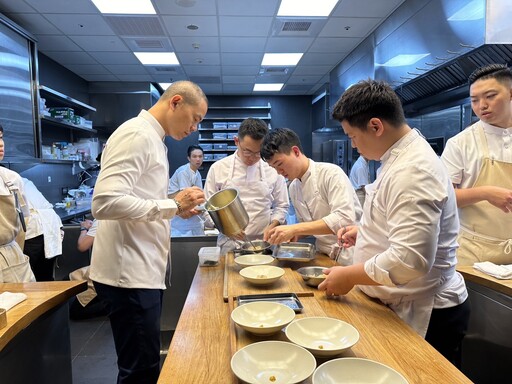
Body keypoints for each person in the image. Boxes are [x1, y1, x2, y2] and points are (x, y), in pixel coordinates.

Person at [320, 79, 470, 367]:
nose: (353, 143)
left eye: (352, 136)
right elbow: (401, 225)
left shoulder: (414, 169)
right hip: (402, 303)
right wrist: (363, 232)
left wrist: (349, 275)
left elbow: (409, 260)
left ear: (376, 126)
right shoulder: (398, 158)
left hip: (428, 313)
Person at [89, 81, 207, 384]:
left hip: (141, 273)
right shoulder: (136, 134)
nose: (194, 128)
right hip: (129, 276)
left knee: (143, 364)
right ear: (176, 102)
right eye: (195, 118)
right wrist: (171, 205)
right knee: (140, 371)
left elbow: (140, 199)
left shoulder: (155, 139)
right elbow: (105, 202)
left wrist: (176, 207)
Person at [441, 63, 512, 266]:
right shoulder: (461, 143)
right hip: (474, 254)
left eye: (490, 96)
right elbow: (443, 197)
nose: (482, 105)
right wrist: (486, 193)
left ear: (510, 94)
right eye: (474, 100)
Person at [260, 128, 362, 260]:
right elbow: (307, 225)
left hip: (350, 253)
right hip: (323, 254)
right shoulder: (294, 187)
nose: (279, 172)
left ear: (296, 151)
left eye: (280, 164)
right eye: (274, 168)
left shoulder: (330, 173)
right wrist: (290, 234)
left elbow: (344, 218)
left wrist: (295, 229)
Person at [204, 118, 289, 252]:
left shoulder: (272, 169)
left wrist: (273, 224)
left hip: (264, 244)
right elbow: (207, 208)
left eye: (258, 153)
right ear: (236, 141)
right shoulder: (218, 168)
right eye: (247, 151)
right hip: (229, 244)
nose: (253, 158)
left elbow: (282, 205)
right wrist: (225, 229)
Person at [0, 124, 35, 283]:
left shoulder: (11, 179)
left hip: (14, 261)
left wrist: (16, 253)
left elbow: (22, 225)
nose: (1, 144)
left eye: (0, 137)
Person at [22, 177, 64, 281]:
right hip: (50, 225)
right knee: (45, 275)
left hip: (34, 229)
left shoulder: (8, 179)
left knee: (31, 276)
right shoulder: (23, 180)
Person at [69, 218, 109, 320]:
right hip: (110, 268)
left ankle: (115, 306)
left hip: (104, 272)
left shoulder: (102, 219)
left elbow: (82, 246)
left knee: (75, 313)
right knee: (68, 279)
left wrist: (84, 228)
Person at [168, 145, 205, 236]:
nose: (198, 159)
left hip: (188, 213)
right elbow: (185, 195)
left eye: (200, 156)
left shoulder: (197, 174)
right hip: (177, 208)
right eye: (194, 156)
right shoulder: (183, 171)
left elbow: (200, 194)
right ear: (188, 158)